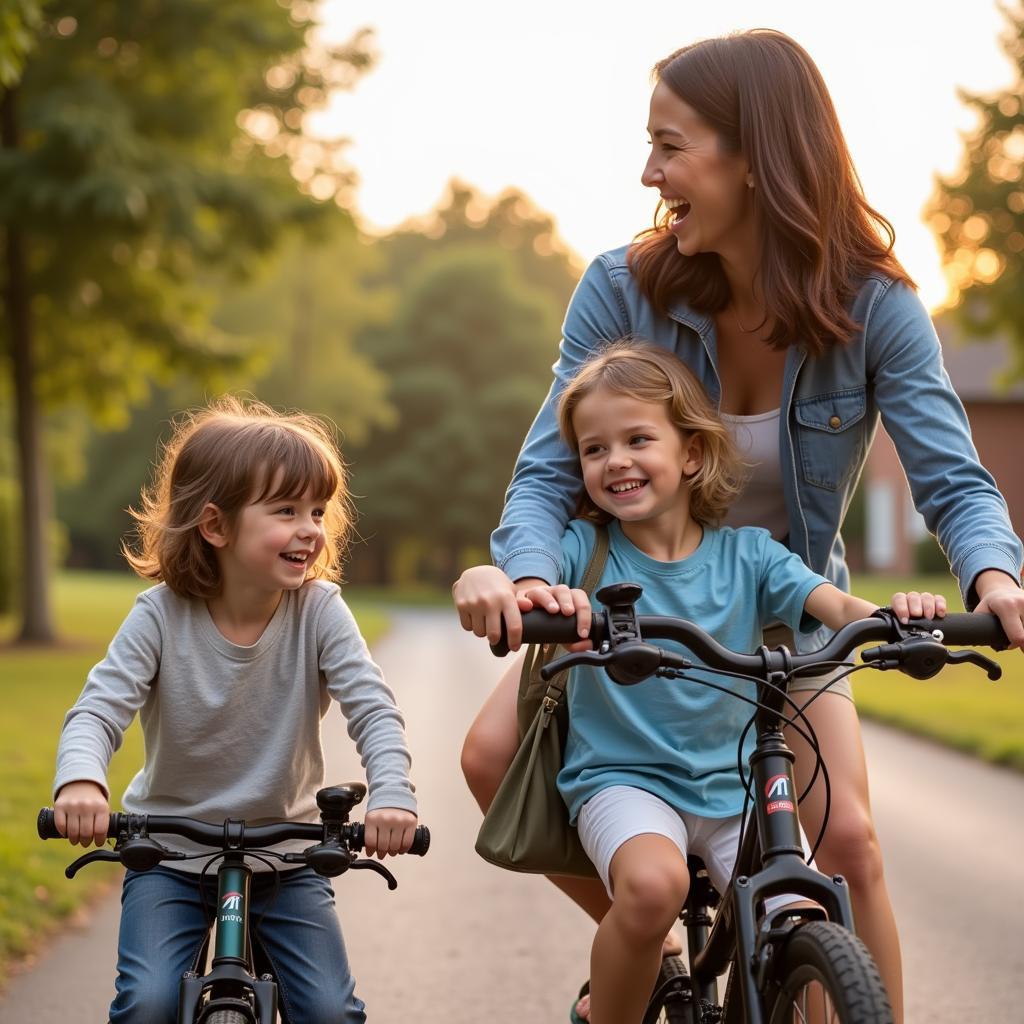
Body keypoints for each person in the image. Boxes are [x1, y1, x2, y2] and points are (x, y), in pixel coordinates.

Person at [454, 29, 1024, 1024]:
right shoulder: (623, 287)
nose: (647, 171)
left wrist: (994, 580)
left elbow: (951, 476)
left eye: (670, 145)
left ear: (752, 158)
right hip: (635, 592)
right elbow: (548, 468)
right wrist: (537, 580)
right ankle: (652, 952)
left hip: (783, 599)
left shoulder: (875, 304)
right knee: (491, 760)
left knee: (846, 846)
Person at [456, 341, 946, 1024]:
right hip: (622, 780)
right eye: (593, 450)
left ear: (690, 453)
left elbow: (833, 607)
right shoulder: (581, 550)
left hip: (732, 787)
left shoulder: (750, 555)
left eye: (636, 439)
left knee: (799, 910)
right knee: (652, 890)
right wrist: (484, 582)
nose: (614, 460)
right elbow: (512, 586)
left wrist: (900, 622)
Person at [52, 396, 418, 1024]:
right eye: (284, 511)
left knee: (331, 1010)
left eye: (317, 511)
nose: (310, 528)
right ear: (215, 526)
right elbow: (97, 712)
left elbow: (373, 710)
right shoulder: (159, 617)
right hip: (167, 855)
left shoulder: (320, 612)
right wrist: (81, 781)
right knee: (148, 1002)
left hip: (289, 857)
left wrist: (393, 795)